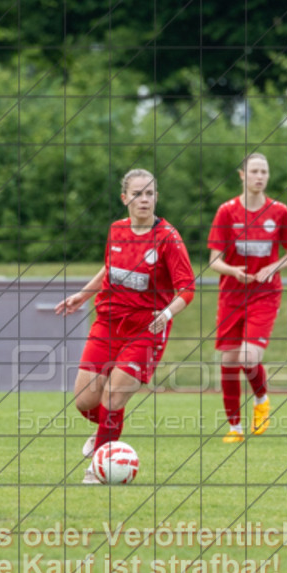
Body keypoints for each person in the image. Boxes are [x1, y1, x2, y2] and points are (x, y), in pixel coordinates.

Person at [56, 168, 195, 483]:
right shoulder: (116, 230)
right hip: (107, 324)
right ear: (125, 198)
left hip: (146, 331)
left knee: (113, 399)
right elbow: (109, 268)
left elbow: (187, 288)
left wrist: (167, 314)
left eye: (149, 193)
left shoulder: (168, 238)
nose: (144, 199)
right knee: (85, 401)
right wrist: (83, 294)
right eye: (137, 194)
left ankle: (99, 468)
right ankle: (106, 428)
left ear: (156, 197)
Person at [208, 153, 287, 443]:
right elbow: (214, 260)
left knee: (248, 357)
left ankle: (261, 400)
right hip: (232, 295)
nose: (260, 176)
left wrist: (273, 267)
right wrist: (233, 271)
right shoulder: (227, 211)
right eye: (254, 171)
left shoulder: (279, 212)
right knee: (229, 360)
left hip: (265, 294)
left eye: (264, 171)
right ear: (242, 175)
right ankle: (234, 428)